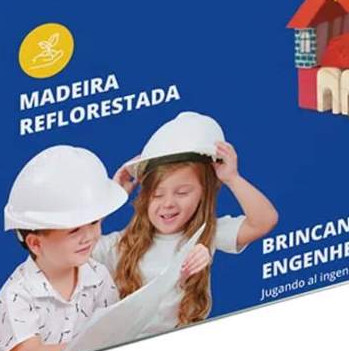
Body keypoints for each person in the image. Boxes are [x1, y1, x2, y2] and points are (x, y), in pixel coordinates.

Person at [93, 111, 278, 337]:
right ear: (145, 197)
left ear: (204, 193)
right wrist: (110, 201)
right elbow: (73, 248)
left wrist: (232, 178)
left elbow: (264, 222)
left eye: (182, 192)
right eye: (157, 195)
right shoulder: (122, 243)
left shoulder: (207, 233)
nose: (168, 203)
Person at [0, 145, 128, 351]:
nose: (89, 236)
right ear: (36, 244)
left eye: (94, 222)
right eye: (74, 231)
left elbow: (111, 325)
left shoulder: (97, 275)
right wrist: (91, 343)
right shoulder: (17, 295)